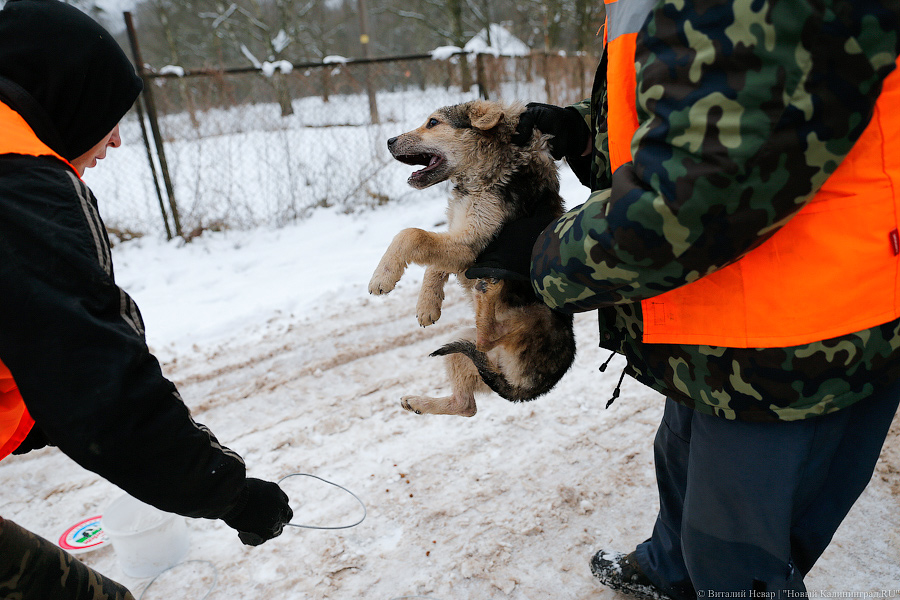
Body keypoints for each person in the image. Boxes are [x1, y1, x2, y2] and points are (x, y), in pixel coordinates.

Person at [468, 0, 900, 596]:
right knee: (681, 461)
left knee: (736, 555)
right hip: (712, 310)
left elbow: (698, 190)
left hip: (800, 335)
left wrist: (543, 253)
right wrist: (579, 130)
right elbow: (684, 105)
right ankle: (669, 571)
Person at [0, 1, 293, 598]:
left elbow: (40, 348)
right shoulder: (19, 185)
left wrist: (45, 414)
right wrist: (229, 492)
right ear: (65, 96)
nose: (113, 138)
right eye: (107, 113)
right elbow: (95, 383)